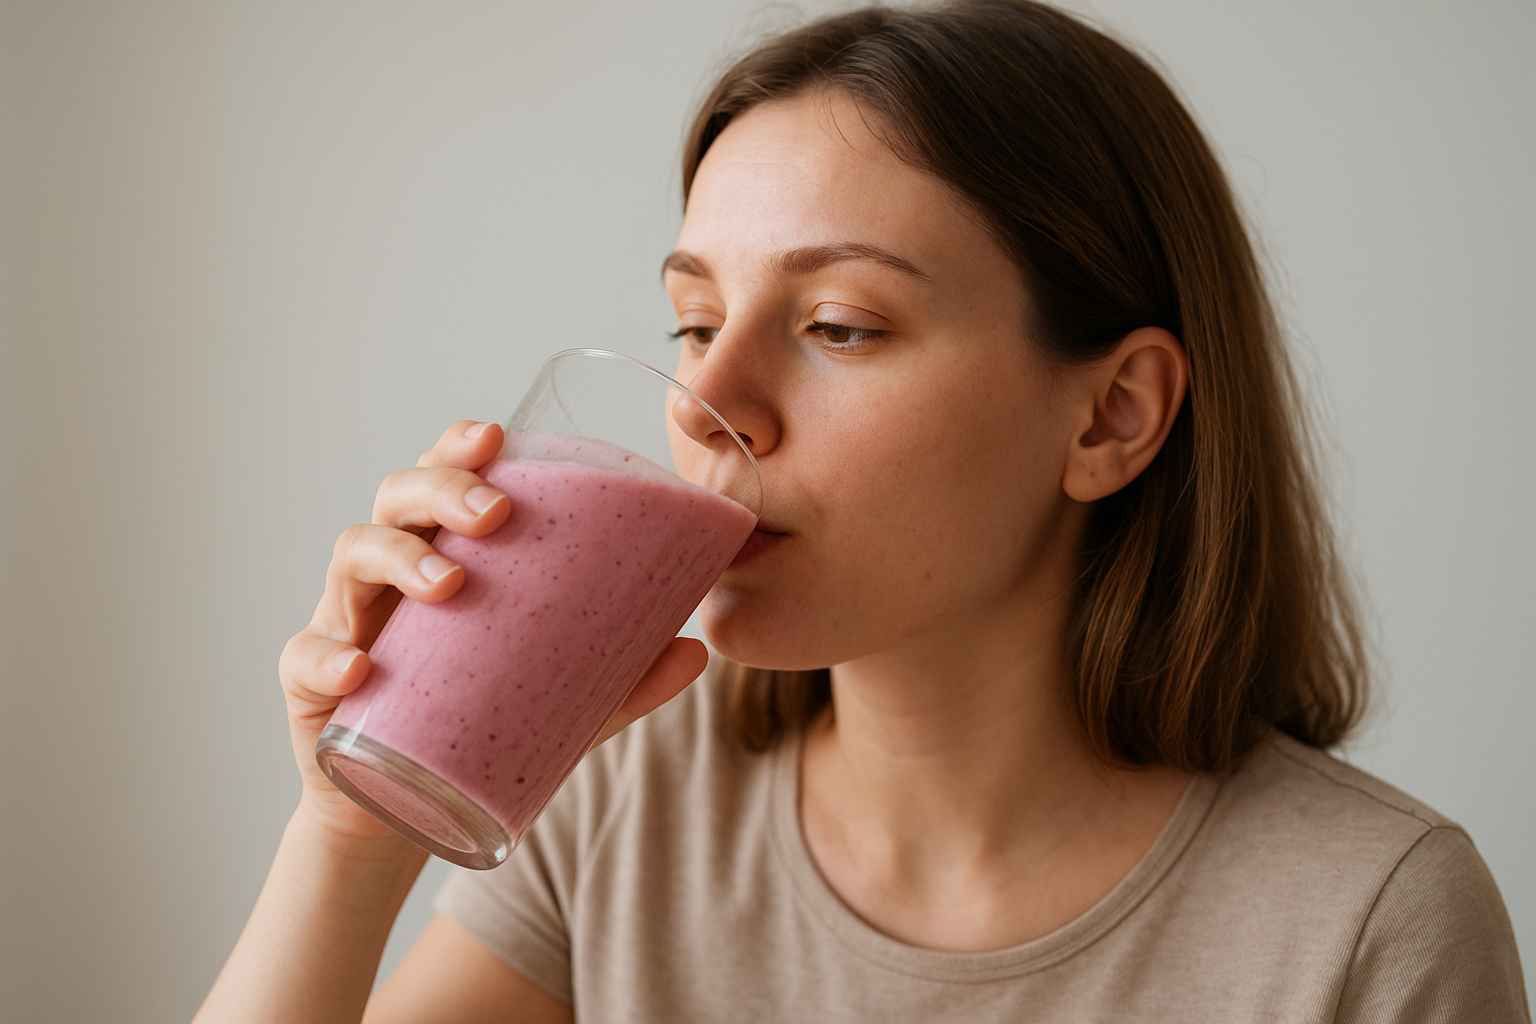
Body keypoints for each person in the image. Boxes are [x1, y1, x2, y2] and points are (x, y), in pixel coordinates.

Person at [197, 1, 1530, 1020]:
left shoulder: (1366, 920)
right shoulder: (630, 801)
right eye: (696, 318)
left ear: (1112, 415)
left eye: (840, 325)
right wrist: (352, 832)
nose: (708, 400)